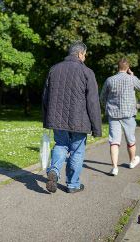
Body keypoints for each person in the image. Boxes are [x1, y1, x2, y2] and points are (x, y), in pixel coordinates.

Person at [42, 41, 102, 193]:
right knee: (77, 151)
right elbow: (93, 102)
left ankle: (54, 171)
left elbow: (45, 97)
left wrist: (46, 119)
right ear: (80, 54)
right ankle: (72, 184)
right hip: (79, 120)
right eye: (85, 55)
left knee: (60, 145)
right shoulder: (87, 72)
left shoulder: (54, 69)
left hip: (57, 119)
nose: (85, 58)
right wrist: (96, 128)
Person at [100, 57, 140, 176]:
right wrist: (133, 75)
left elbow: (102, 97)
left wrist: (107, 107)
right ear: (128, 68)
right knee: (130, 139)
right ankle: (132, 161)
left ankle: (114, 168)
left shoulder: (110, 80)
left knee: (114, 141)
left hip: (113, 114)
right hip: (128, 114)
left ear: (118, 67)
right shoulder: (132, 79)